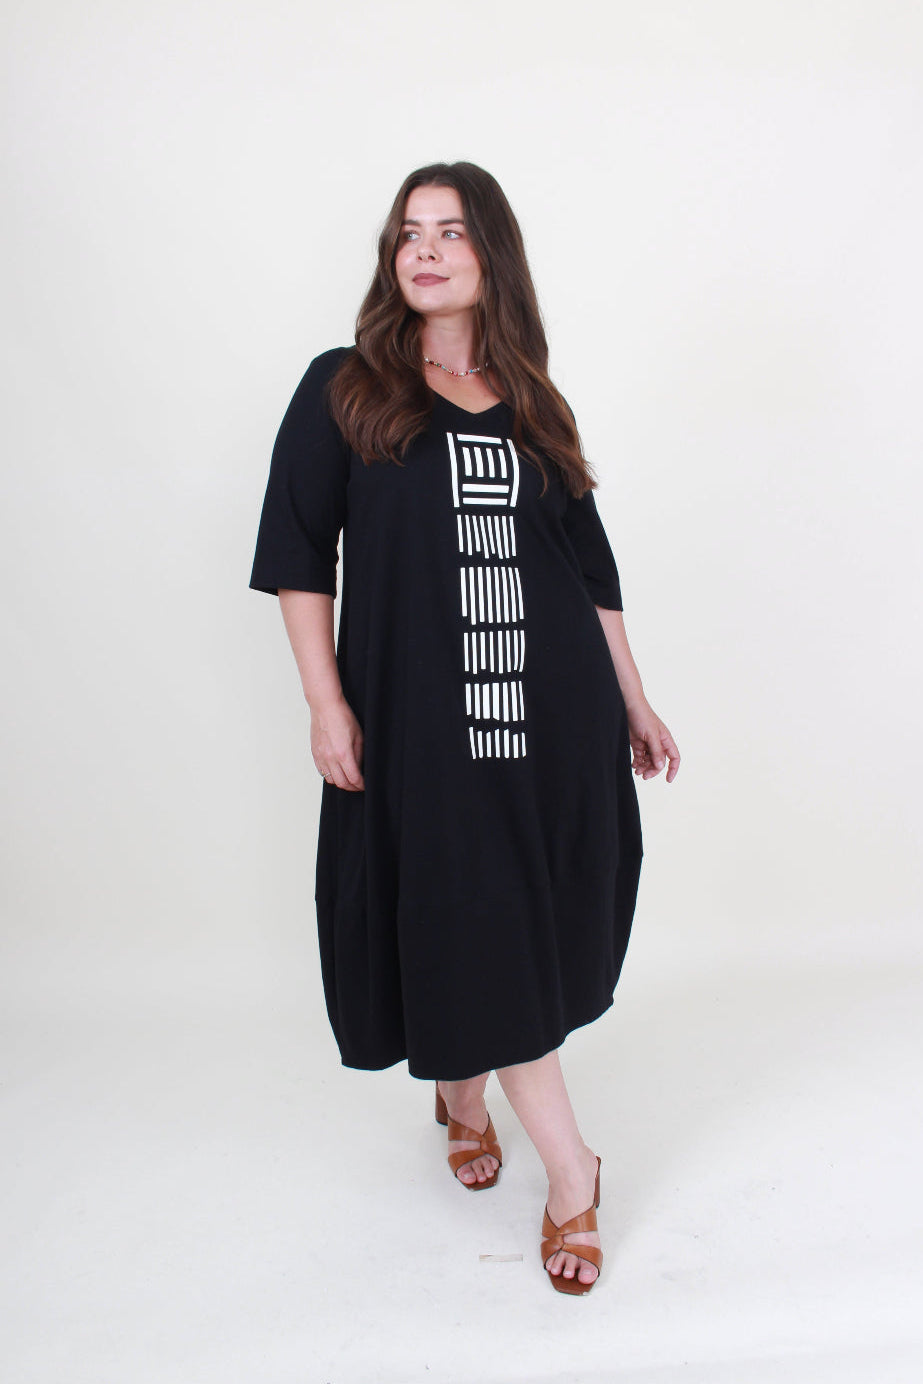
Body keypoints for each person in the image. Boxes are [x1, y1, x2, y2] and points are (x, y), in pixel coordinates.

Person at [249, 161, 680, 1295]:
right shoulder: (345, 386)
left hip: (551, 720)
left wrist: (632, 697)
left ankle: (461, 1091)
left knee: (515, 921)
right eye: (409, 233)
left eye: (449, 231)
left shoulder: (535, 402)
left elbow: (590, 572)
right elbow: (299, 553)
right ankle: (574, 1171)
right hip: (422, 726)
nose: (425, 251)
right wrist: (325, 701)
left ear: (491, 253)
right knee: (473, 915)